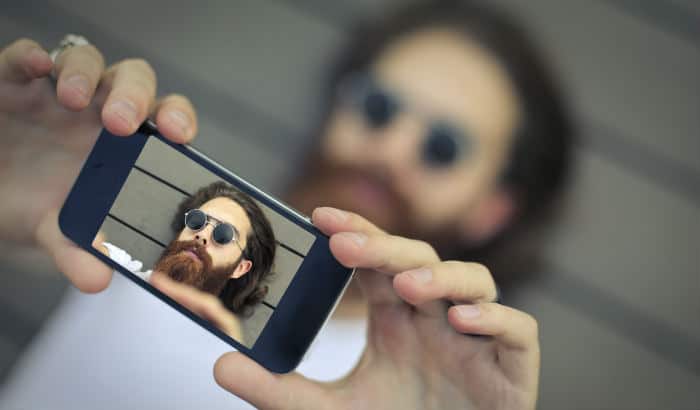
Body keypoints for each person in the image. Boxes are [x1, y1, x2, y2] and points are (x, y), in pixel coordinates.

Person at [0, 2, 571, 409]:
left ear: (491, 209)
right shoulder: (175, 221)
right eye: (378, 106)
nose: (389, 150)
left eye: (443, 147)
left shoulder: (433, 391)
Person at [95, 181, 276, 340]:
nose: (202, 235)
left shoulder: (216, 345)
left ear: (240, 268)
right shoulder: (118, 270)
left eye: (224, 234)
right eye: (197, 221)